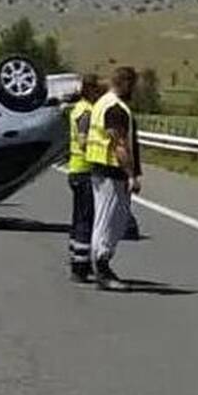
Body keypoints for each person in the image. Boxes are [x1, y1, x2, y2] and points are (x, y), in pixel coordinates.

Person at [85, 66, 143, 290]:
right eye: (133, 85)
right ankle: (102, 267)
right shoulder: (115, 108)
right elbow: (120, 145)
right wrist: (131, 175)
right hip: (111, 170)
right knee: (110, 220)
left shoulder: (102, 103)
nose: (134, 90)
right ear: (126, 83)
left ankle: (100, 263)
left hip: (100, 168)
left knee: (106, 219)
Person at [66, 74, 103, 282]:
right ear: (90, 90)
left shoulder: (79, 108)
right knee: (85, 219)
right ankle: (80, 266)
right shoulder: (86, 112)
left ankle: (77, 259)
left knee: (79, 218)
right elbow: (82, 141)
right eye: (97, 89)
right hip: (85, 170)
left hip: (77, 169)